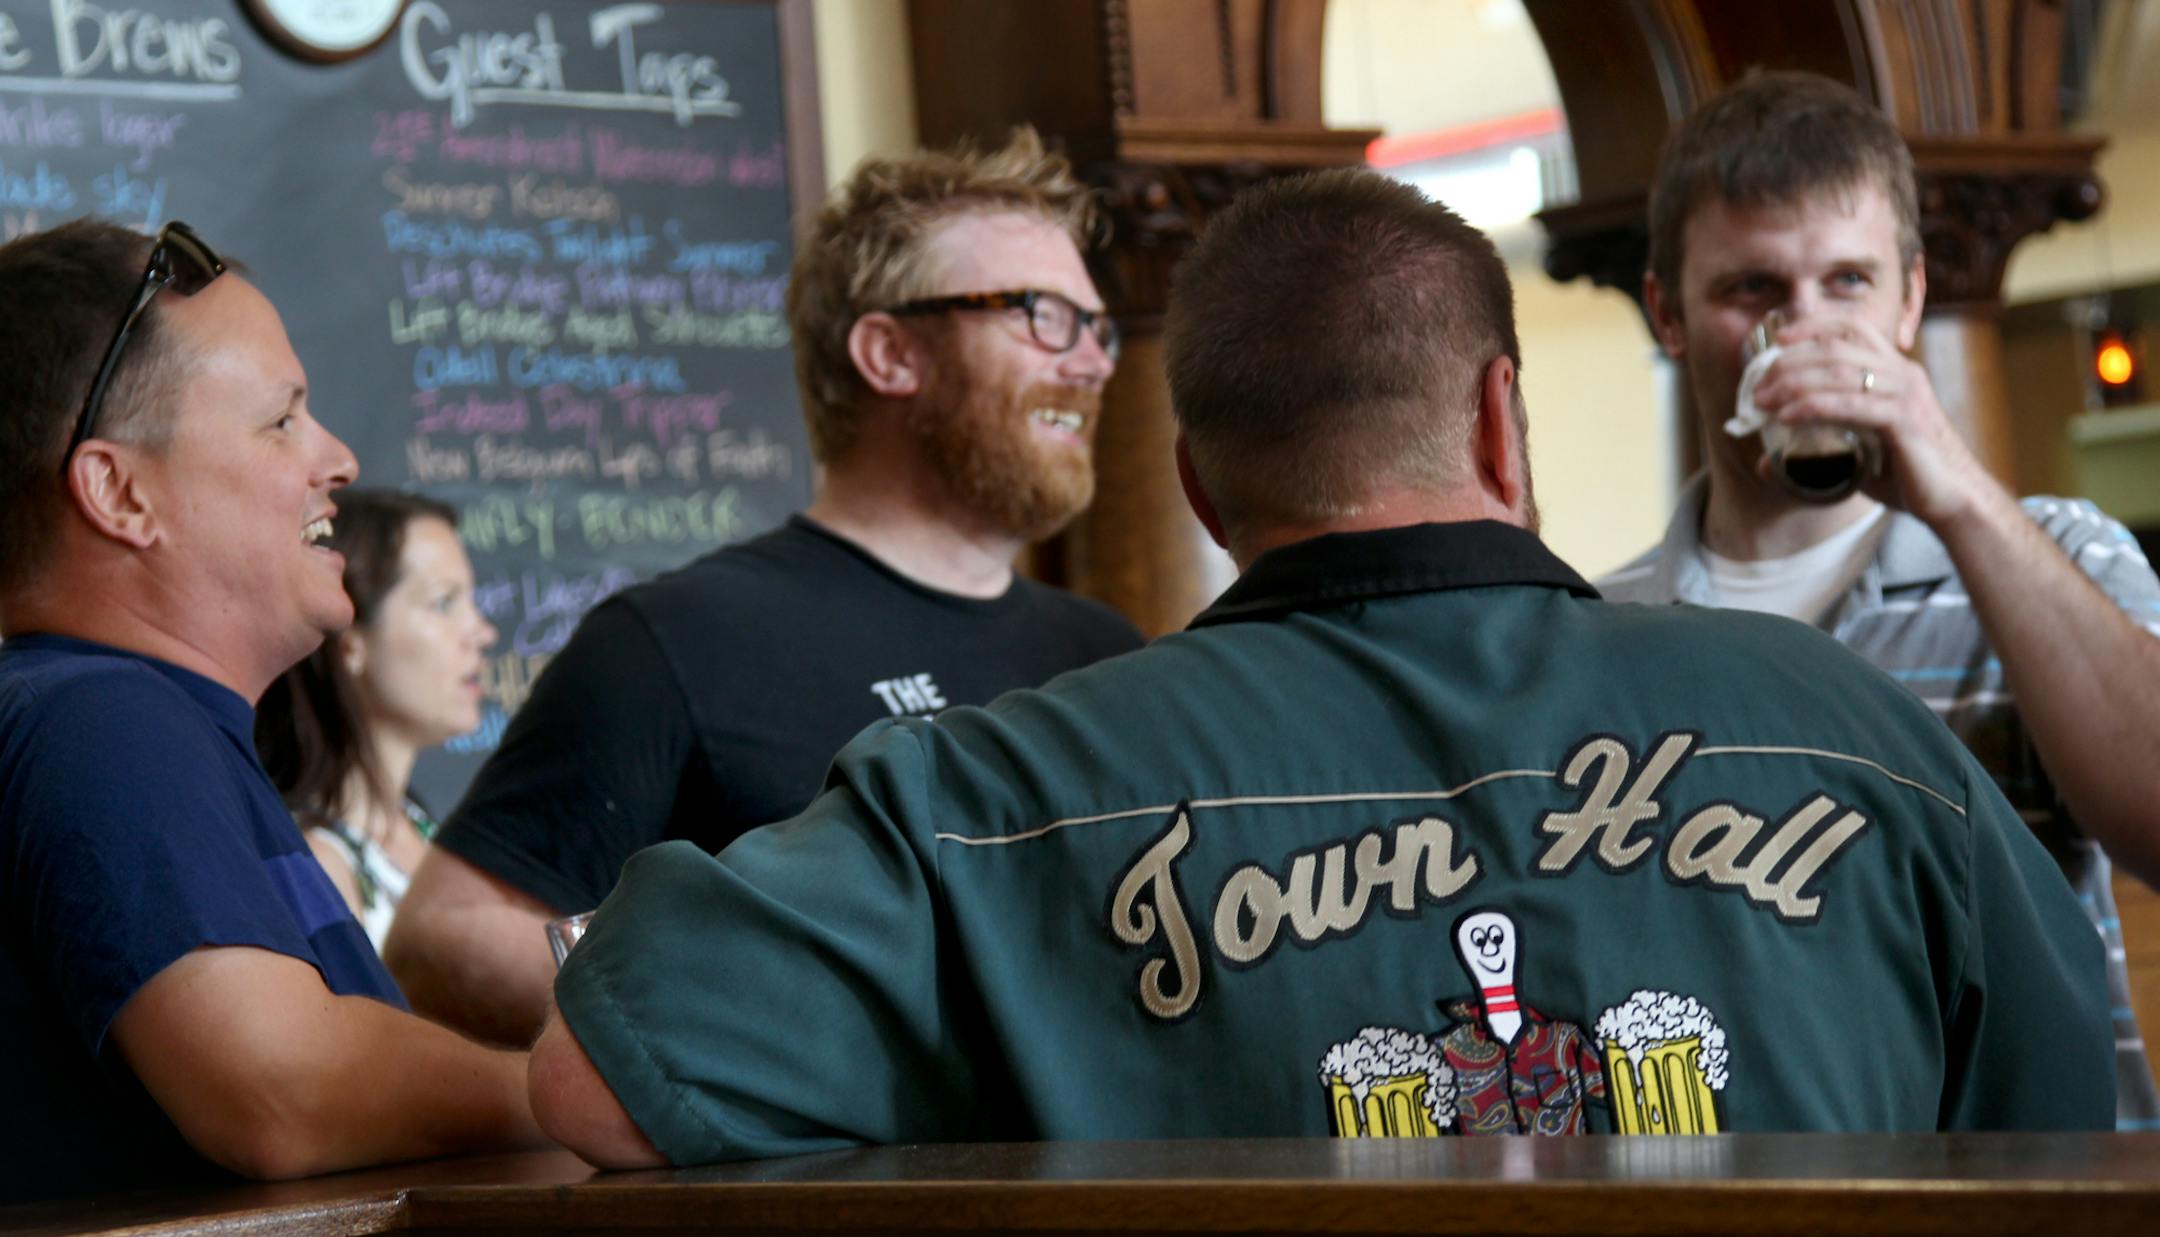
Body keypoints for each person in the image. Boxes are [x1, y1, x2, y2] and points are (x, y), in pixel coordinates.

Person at [526, 168, 2111, 1169]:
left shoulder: (993, 794)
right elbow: (2058, 1142)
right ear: (1501, 420)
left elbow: (598, 1081)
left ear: (1200, 491)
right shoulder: (1851, 733)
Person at [386, 129, 1144, 1046]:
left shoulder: (1112, 656)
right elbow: (444, 939)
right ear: (889, 353)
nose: (1093, 362)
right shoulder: (679, 640)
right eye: (1040, 315)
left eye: (1096, 327)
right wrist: (760, 1043)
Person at [1596, 71, 2160, 1127]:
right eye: (1753, 290)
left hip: (2046, 1185)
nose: (1806, 329)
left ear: (1909, 299)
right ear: (1669, 315)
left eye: (1847, 282)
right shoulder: (1600, 627)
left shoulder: (2060, 552)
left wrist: (1958, 497)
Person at [0, 220, 541, 1203]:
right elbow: (283, 1086)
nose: (340, 459)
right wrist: (585, 1093)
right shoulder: (103, 722)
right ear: (120, 493)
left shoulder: (141, 725)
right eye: (282, 421)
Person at [256, 489, 498, 951]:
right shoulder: (318, 865)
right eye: (444, 603)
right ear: (351, 643)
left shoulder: (421, 828)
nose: (482, 633)